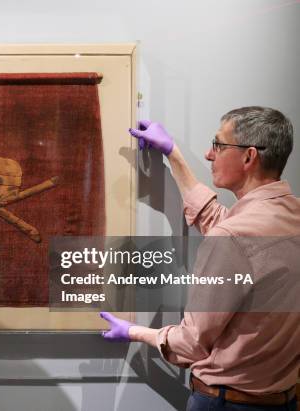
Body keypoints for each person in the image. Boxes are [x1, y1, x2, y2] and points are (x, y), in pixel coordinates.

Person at [100, 107, 299, 410]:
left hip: (225, 402)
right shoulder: (289, 217)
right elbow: (221, 222)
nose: (208, 154)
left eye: (219, 145)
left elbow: (191, 342)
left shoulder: (232, 237)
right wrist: (173, 154)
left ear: (249, 157)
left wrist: (133, 331)